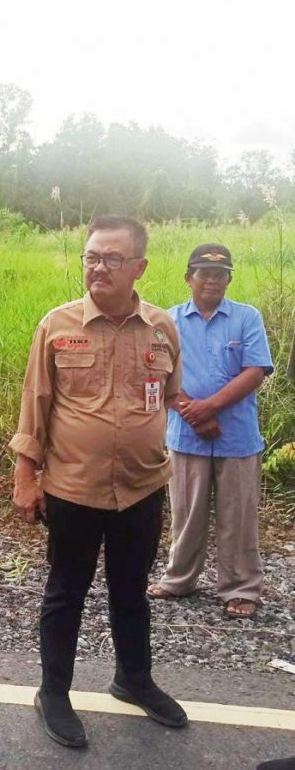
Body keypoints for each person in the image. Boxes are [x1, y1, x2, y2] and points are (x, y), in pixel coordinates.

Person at [11, 215, 188, 750]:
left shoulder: (161, 328)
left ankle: (132, 679)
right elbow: (35, 404)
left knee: (131, 591)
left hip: (141, 486)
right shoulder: (58, 324)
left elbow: (170, 394)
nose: (98, 267)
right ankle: (54, 693)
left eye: (112, 259)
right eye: (91, 257)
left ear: (139, 267)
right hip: (73, 488)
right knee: (66, 592)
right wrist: (26, 474)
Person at [148, 244, 273, 618]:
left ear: (229, 280)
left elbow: (255, 371)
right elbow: (158, 372)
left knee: (239, 515)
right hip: (186, 435)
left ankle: (241, 588)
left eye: (220, 274)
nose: (212, 280)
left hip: (237, 437)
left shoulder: (246, 318)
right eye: (204, 273)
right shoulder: (167, 321)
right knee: (186, 513)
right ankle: (179, 579)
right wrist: (195, 416)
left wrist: (210, 407)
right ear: (189, 278)